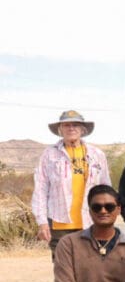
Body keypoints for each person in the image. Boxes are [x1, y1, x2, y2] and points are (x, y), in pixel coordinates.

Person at [33, 110, 111, 256]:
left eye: (75, 125)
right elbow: (40, 190)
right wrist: (42, 222)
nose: (71, 128)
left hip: (91, 221)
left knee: (90, 268)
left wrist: (107, 217)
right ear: (60, 129)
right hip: (59, 223)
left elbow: (106, 187)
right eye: (66, 125)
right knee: (63, 271)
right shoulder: (49, 154)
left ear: (83, 129)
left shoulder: (96, 154)